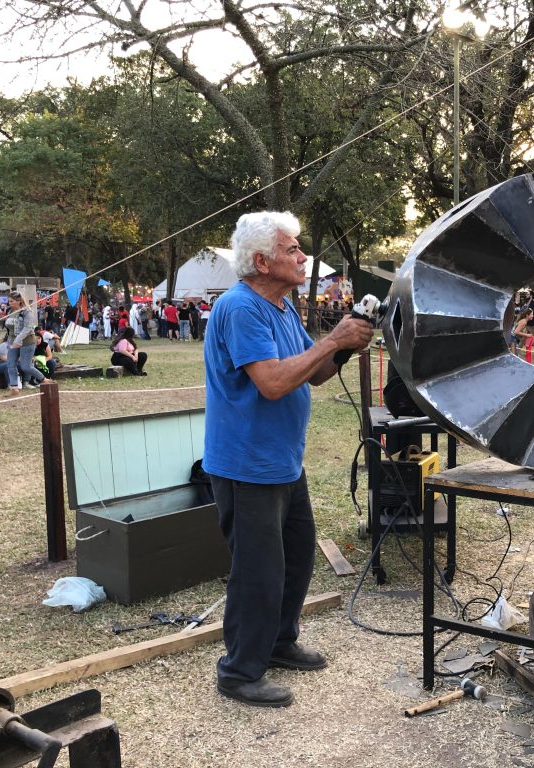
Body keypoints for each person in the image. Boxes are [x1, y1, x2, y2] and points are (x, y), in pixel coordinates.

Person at [203, 210, 373, 708]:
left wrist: (343, 348)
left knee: (296, 558)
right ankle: (239, 671)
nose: (302, 257)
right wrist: (333, 339)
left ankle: (278, 642)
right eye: (292, 249)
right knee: (258, 571)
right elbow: (274, 383)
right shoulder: (240, 308)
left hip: (281, 461)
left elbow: (314, 375)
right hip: (246, 465)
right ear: (262, 261)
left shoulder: (280, 308)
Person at [5, 291, 44, 392]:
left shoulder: (26, 312)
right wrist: (10, 342)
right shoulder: (9, 312)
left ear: (19, 301)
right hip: (13, 343)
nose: (9, 303)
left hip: (27, 342)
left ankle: (44, 379)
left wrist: (17, 340)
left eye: (12, 301)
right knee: (10, 364)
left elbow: (28, 328)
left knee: (26, 367)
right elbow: (9, 330)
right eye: (8, 301)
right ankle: (14, 387)